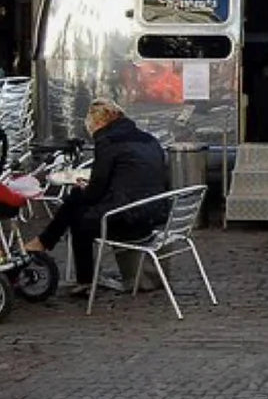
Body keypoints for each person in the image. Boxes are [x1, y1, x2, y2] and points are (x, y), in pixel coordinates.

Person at [26, 98, 170, 296]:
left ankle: (78, 275)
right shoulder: (148, 139)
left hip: (129, 219)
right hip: (155, 213)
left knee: (78, 212)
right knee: (78, 200)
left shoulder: (107, 141)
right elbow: (135, 178)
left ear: (99, 123)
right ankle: (45, 243)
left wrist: (87, 189)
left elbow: (96, 191)